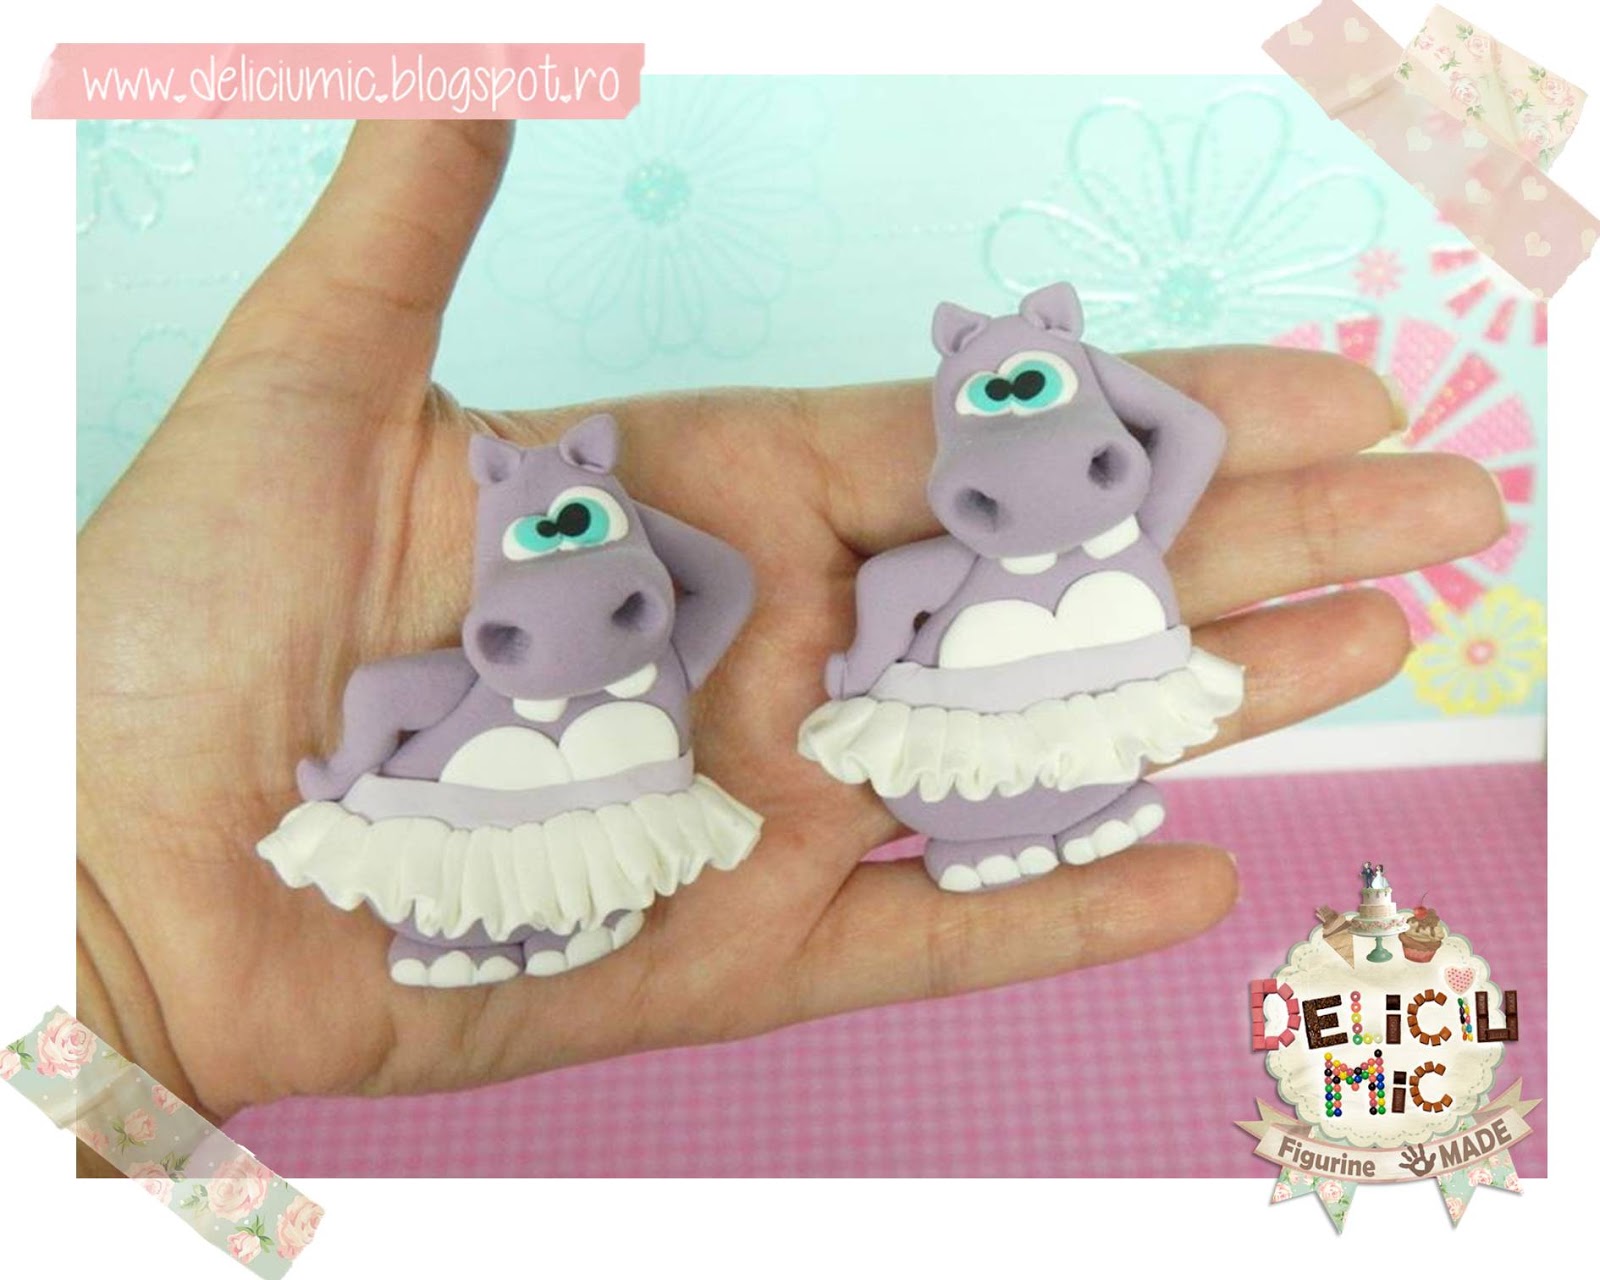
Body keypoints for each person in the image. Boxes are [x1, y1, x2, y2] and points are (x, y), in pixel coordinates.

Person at [76, 121, 1506, 1147]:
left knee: (1058, 759)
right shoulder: (579, 643)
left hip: (1038, 668)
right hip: (495, 794)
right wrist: (322, 799)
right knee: (499, 878)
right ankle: (500, 933)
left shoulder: (1103, 523)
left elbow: (1165, 444)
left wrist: (121, 1005)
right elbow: (410, 689)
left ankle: (1056, 817)